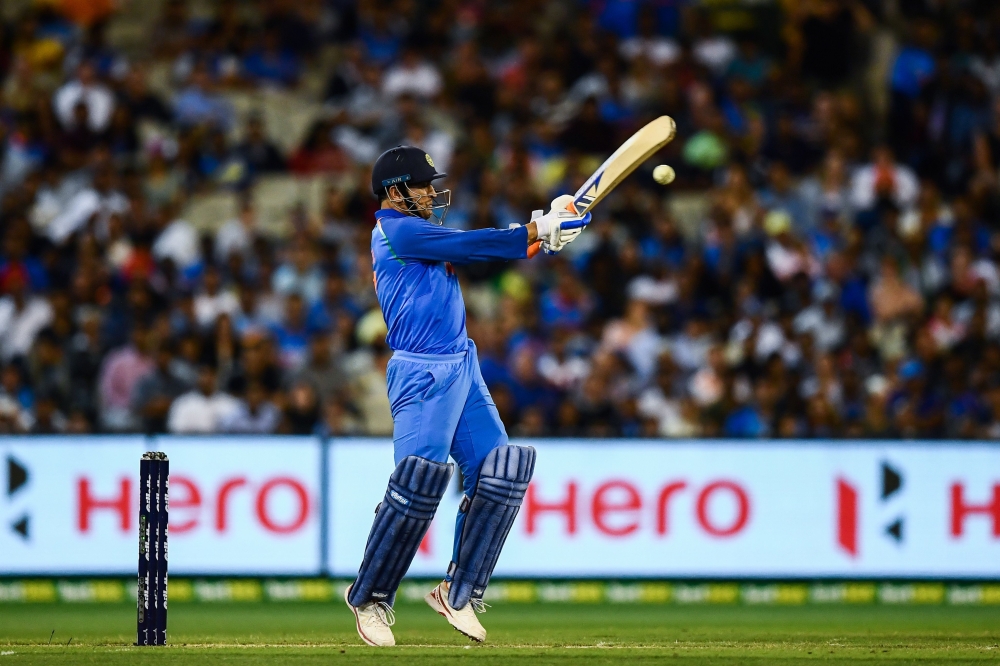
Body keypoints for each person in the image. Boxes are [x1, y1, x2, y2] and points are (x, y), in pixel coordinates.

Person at [343, 146, 589, 647]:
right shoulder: (396, 230)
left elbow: (486, 249)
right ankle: (369, 598)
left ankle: (458, 592)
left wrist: (544, 234)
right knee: (417, 486)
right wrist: (537, 230)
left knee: (502, 469)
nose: (431, 192)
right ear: (395, 192)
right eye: (422, 185)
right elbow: (475, 245)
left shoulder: (417, 229)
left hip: (461, 362)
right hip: (421, 372)